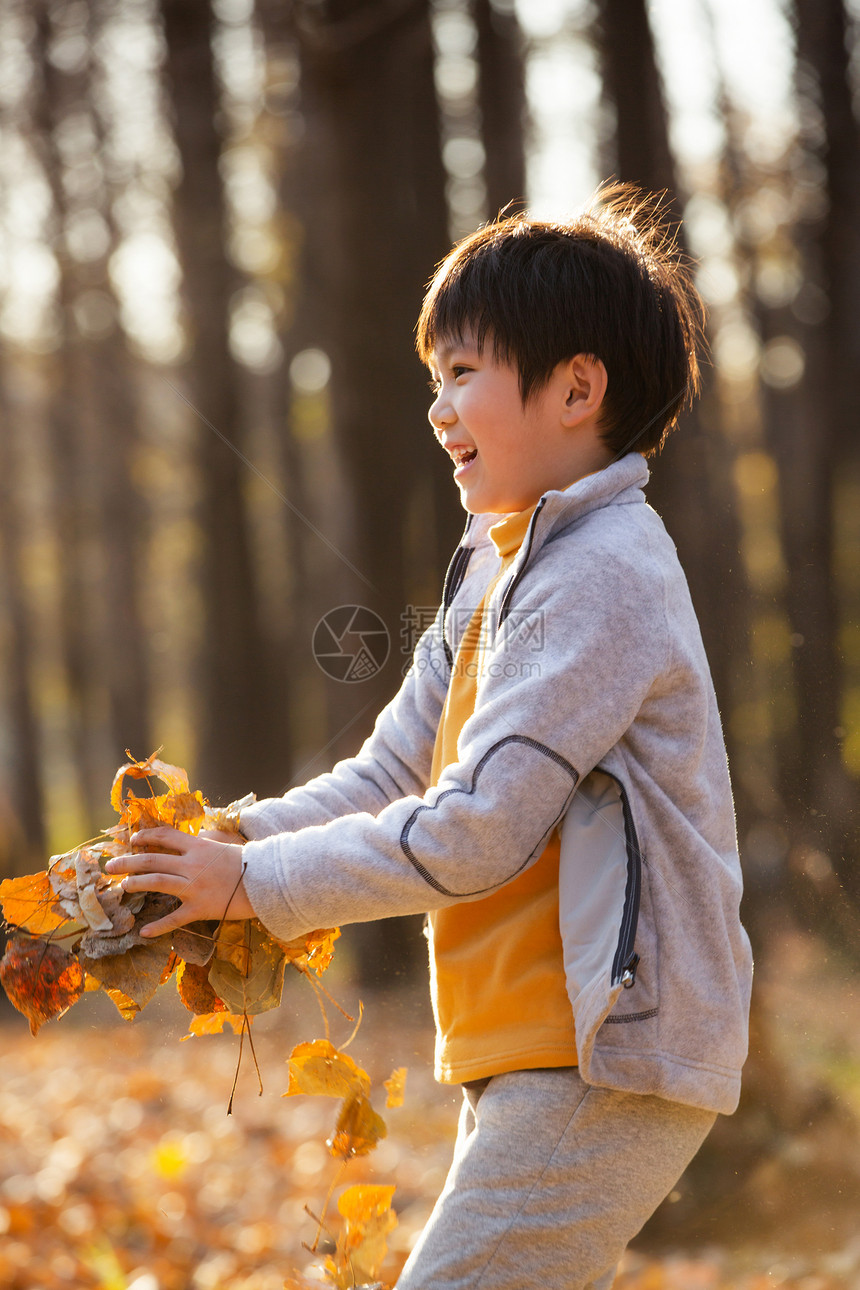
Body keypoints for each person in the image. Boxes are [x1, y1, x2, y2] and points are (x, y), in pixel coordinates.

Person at [107, 184, 753, 1290]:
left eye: (461, 374)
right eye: (431, 379)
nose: (436, 407)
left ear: (574, 389)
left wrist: (248, 882)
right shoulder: (498, 568)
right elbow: (390, 773)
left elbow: (472, 830)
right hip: (527, 1051)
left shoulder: (604, 572)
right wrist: (218, 845)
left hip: (608, 1051)